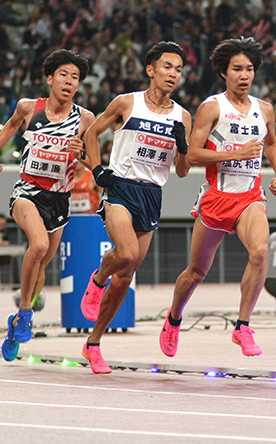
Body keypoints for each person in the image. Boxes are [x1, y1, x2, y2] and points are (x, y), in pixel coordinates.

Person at [159, 37, 276, 359]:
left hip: (250, 197)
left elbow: (270, 143)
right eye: (237, 69)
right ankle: (173, 319)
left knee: (259, 252)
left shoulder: (264, 109)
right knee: (196, 272)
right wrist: (236, 152)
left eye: (250, 69)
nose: (245, 75)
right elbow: (193, 155)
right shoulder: (212, 108)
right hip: (216, 198)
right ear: (224, 73)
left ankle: (242, 327)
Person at [79, 41, 191, 374]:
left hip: (153, 194)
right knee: (126, 254)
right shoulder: (127, 103)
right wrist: (98, 170)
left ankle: (93, 344)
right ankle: (98, 279)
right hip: (120, 188)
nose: (173, 74)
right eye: (167, 67)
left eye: (179, 70)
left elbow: (182, 171)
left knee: (126, 277)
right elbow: (92, 134)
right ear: (151, 70)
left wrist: (183, 146)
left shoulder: (182, 115)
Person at [0, 49, 95, 362]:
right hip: (27, 191)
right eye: (64, 74)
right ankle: (24, 314)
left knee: (43, 265)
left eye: (75, 78)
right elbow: (9, 126)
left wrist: (81, 154)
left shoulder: (84, 119)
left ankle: (16, 324)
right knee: (37, 245)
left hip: (60, 199)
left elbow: (89, 162)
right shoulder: (29, 107)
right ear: (50, 78)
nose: (69, 81)